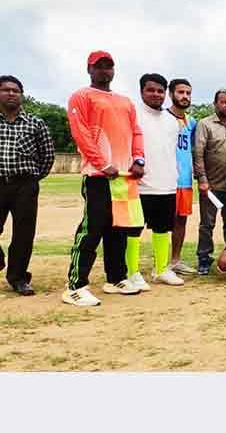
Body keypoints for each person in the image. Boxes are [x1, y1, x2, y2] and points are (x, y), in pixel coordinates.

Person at [62, 51, 145, 306]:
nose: (104, 71)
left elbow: (136, 132)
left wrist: (139, 159)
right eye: (99, 67)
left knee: (118, 229)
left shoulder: (125, 101)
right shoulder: (81, 96)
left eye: (109, 66)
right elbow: (81, 133)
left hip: (123, 176)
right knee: (92, 228)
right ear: (89, 69)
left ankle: (116, 278)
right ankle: (75, 285)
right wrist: (102, 163)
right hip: (98, 175)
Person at [0, 75, 55, 296]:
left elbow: (47, 156)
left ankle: (18, 277)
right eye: (5, 90)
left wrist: (32, 180)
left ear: (21, 95)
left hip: (25, 185)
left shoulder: (35, 123)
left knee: (23, 234)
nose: (11, 93)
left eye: (15, 90)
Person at [129, 73, 184, 290]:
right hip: (140, 185)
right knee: (133, 231)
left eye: (160, 91)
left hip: (167, 184)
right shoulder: (134, 115)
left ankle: (161, 269)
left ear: (166, 94)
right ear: (142, 91)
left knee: (163, 229)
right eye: (151, 90)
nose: (156, 94)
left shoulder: (172, 120)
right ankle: (131, 272)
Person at [193, 88, 226, 275]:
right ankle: (204, 258)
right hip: (212, 185)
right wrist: (202, 179)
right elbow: (198, 153)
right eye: (223, 102)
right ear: (215, 104)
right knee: (207, 224)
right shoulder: (205, 124)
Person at [166, 78, 197, 275]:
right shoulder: (162, 117)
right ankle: (159, 262)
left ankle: (175, 260)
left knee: (181, 221)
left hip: (184, 180)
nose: (184, 96)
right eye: (180, 92)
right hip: (164, 179)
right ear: (171, 94)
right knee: (160, 222)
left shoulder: (191, 122)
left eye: (188, 93)